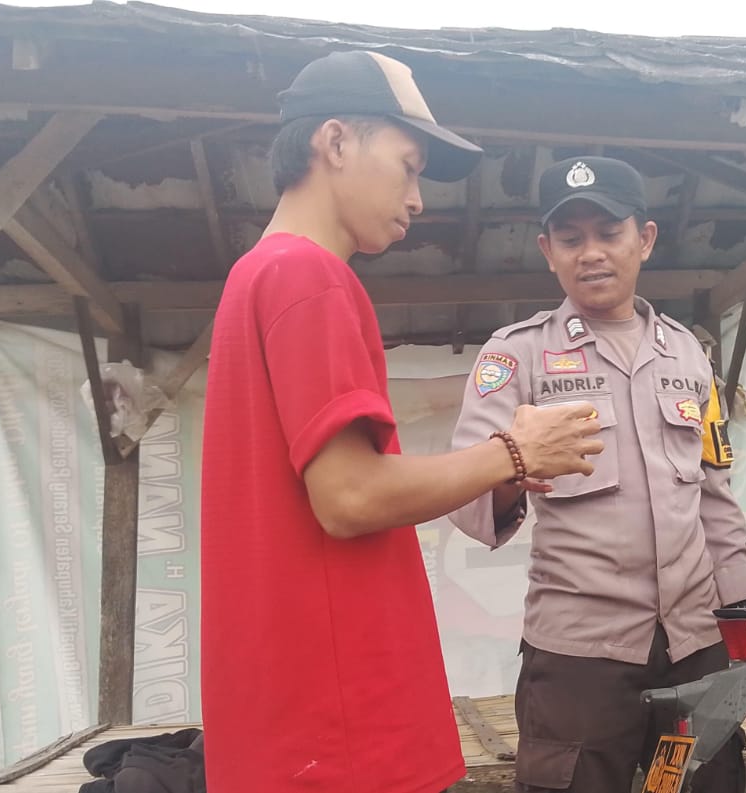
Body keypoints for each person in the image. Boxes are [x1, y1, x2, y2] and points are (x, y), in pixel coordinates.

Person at [199, 51, 604, 793]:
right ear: (335, 141)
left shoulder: (257, 274)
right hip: (342, 726)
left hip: (292, 720)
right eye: (409, 167)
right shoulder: (310, 277)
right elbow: (350, 497)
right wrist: (515, 451)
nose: (417, 199)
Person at [450, 156, 746, 793]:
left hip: (696, 643)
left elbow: (715, 499)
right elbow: (466, 498)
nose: (591, 253)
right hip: (578, 655)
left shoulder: (687, 353)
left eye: (609, 233)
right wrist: (515, 460)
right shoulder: (518, 353)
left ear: (644, 239)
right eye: (571, 238)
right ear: (548, 251)